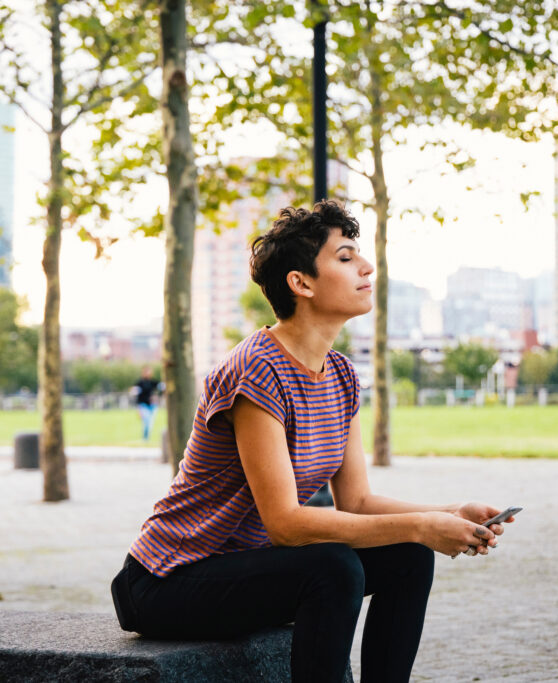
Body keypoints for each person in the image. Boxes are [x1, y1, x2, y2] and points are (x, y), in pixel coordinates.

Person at [111, 201, 514, 682]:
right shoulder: (257, 370)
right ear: (301, 283)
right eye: (344, 258)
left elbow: (359, 501)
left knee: (408, 556)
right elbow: (286, 525)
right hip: (167, 580)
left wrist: (447, 514)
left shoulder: (341, 373)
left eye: (359, 254)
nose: (366, 266)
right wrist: (421, 523)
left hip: (248, 569)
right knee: (333, 566)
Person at [133, 366, 161, 441]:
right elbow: (136, 395)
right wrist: (138, 409)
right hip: (143, 405)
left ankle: (146, 438)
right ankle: (145, 438)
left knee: (150, 423)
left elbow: (161, 387)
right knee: (147, 421)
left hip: (152, 405)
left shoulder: (153, 382)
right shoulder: (140, 383)